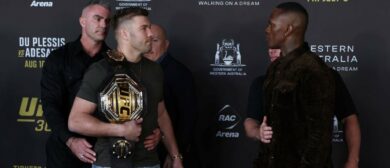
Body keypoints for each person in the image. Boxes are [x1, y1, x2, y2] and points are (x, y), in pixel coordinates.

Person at [68, 7, 183, 168]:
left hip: (149, 163)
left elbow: (161, 114)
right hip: (109, 163)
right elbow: (76, 121)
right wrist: (121, 130)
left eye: (149, 28)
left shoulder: (155, 69)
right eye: (144, 28)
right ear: (124, 34)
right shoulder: (100, 70)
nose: (150, 33)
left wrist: (175, 155)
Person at [245, 49, 361, 168]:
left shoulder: (326, 78)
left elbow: (349, 118)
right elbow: (250, 122)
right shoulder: (261, 83)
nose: (272, 51)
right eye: (270, 47)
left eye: (278, 46)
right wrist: (259, 132)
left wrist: (353, 161)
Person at [255, 2, 336, 168]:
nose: (266, 30)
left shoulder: (313, 70)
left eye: (271, 25)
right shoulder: (274, 68)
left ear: (288, 30)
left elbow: (319, 139)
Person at [41, 1, 111, 167]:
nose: (103, 25)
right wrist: (70, 141)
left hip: (105, 151)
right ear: (83, 21)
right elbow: (50, 105)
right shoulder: (58, 58)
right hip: (64, 150)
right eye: (98, 18)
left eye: (107, 21)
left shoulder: (115, 61)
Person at [144, 24, 197, 168]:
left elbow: (188, 117)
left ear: (166, 45)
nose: (149, 46)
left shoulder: (179, 73)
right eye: (147, 40)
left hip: (167, 151)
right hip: (144, 152)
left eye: (155, 41)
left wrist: (174, 153)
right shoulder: (137, 70)